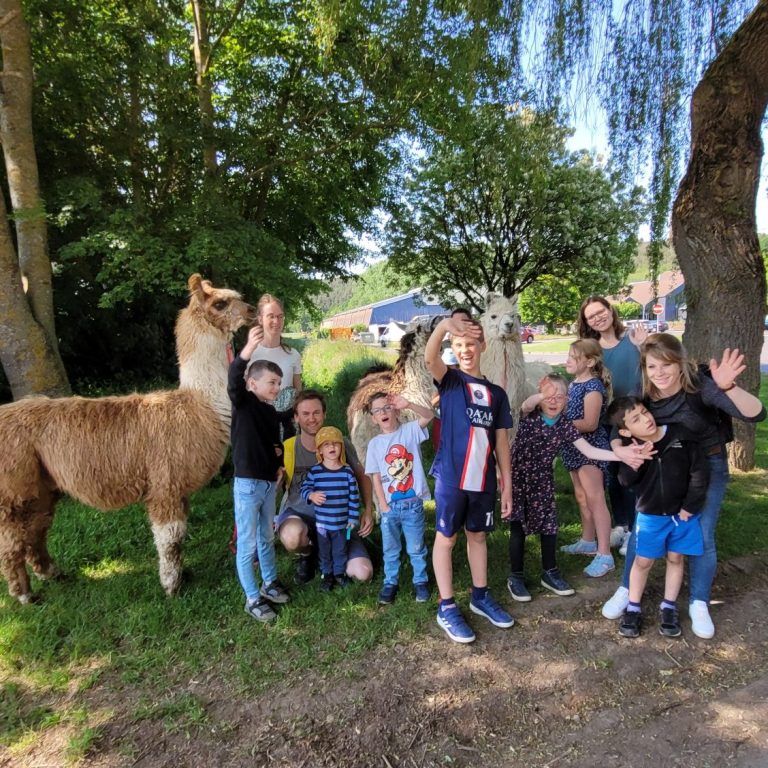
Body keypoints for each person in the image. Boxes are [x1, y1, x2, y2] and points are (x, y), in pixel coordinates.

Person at [602, 335, 766, 638]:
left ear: (680, 363)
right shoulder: (644, 391)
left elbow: (756, 413)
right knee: (642, 529)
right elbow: (618, 424)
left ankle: (698, 602)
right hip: (661, 467)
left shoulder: (701, 385)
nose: (659, 373)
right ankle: (627, 590)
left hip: (706, 466)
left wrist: (728, 387)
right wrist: (620, 450)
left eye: (666, 364)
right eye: (652, 366)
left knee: (701, 533)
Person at [506, 375, 651, 602]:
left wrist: (620, 455)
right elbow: (526, 404)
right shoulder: (530, 415)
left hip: (543, 480)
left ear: (567, 400)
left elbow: (589, 451)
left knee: (549, 526)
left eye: (559, 397)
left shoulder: (565, 425)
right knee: (518, 528)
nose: (553, 401)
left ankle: (550, 572)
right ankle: (516, 576)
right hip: (518, 479)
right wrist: (542, 395)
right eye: (548, 396)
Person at [425, 314, 515, 644]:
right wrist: (443, 327)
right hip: (451, 479)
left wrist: (507, 484)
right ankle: (446, 606)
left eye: (471, 344)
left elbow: (501, 442)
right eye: (459, 345)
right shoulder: (450, 381)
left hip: (483, 481)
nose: (465, 350)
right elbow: (429, 358)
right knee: (446, 539)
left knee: (477, 536)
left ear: (483, 345)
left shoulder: (497, 394)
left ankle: (480, 596)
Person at [607, 396, 708, 638]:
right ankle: (633, 607)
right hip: (650, 517)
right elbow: (624, 481)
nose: (646, 419)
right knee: (642, 562)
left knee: (676, 558)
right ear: (625, 431)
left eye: (644, 412)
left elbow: (699, 472)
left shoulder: (680, 435)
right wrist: (636, 462)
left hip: (683, 516)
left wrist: (690, 505)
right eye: (636, 419)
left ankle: (669, 607)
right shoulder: (632, 448)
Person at [275, 390, 374, 584]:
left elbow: (362, 476)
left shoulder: (340, 443)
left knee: (363, 574)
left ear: (324, 414)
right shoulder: (288, 447)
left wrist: (368, 510)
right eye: (305, 414)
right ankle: (308, 554)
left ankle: (330, 552)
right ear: (296, 417)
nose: (311, 418)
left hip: (338, 520)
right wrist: (276, 485)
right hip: (299, 516)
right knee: (293, 536)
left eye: (316, 412)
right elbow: (273, 486)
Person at [228, 326, 290, 622]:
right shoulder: (243, 402)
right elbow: (233, 380)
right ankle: (252, 598)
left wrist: (279, 463)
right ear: (252, 383)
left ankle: (269, 582)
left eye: (279, 383)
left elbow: (274, 443)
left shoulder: (269, 411)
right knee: (248, 543)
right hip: (247, 486)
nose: (277, 388)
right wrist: (247, 352)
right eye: (272, 382)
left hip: (267, 486)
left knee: (267, 537)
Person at [578, 296, 647, 553]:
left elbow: (652, 367)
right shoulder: (591, 349)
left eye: (601, 312)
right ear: (587, 322)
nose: (598, 318)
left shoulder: (633, 339)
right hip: (606, 420)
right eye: (591, 316)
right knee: (613, 476)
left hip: (634, 419)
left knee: (632, 474)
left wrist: (644, 346)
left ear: (610, 310)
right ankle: (621, 525)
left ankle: (637, 530)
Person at [364, 392, 433, 605]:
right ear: (373, 418)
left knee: (416, 547)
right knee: (390, 548)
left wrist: (409, 403)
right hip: (390, 508)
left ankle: (420, 581)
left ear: (396, 411)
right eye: (378, 410)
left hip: (412, 505)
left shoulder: (410, 431)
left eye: (387, 407)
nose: (383, 412)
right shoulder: (374, 444)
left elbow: (429, 415)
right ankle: (390, 582)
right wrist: (382, 505)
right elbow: (375, 476)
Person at [558, 339, 615, 578]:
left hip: (590, 449)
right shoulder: (573, 384)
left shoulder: (593, 386)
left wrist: (559, 425)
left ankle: (605, 554)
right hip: (573, 448)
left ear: (590, 362)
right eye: (569, 356)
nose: (568, 360)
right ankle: (588, 541)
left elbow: (590, 423)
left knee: (595, 499)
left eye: (574, 357)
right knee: (581, 496)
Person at [300, 426, 360, 591]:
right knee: (325, 551)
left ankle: (339, 573)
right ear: (320, 450)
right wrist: (311, 495)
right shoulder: (315, 472)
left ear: (341, 447)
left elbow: (354, 497)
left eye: (335, 443)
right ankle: (327, 575)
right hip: (323, 525)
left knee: (340, 550)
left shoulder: (347, 472)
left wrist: (353, 518)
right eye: (326, 444)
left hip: (341, 524)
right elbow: (304, 489)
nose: (332, 447)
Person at [249, 294, 303, 437]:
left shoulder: (293, 355)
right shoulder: (250, 354)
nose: (276, 321)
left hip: (288, 430)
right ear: (260, 319)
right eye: (271, 316)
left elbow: (298, 393)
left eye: (280, 316)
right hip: (258, 428)